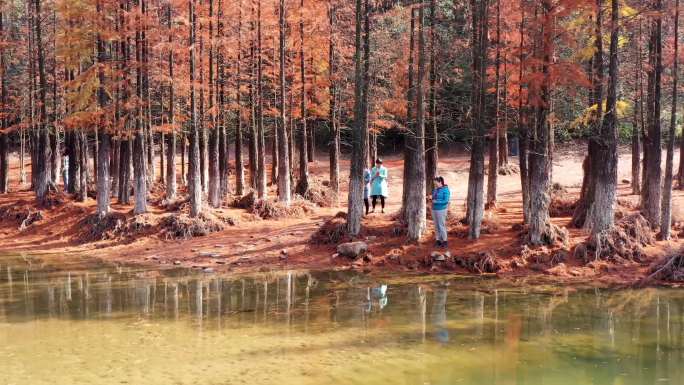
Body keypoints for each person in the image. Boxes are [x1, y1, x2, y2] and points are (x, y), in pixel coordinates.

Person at [431, 176, 451, 248]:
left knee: (441, 225)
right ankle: (438, 240)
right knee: (436, 225)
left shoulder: (446, 190)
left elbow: (446, 201)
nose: (435, 185)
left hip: (441, 210)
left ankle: (445, 241)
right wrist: (431, 197)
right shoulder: (436, 189)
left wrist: (436, 201)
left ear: (440, 182)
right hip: (434, 209)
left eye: (436, 183)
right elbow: (433, 197)